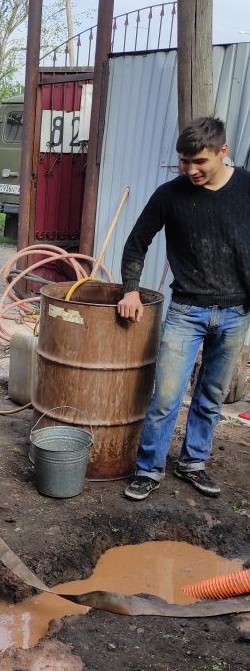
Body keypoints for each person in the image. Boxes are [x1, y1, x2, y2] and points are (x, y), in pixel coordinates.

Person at [117, 115, 250, 501]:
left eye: (200, 162)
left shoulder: (246, 187)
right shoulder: (169, 195)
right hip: (186, 311)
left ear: (223, 152)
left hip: (236, 311)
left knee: (211, 396)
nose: (191, 170)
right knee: (165, 397)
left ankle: (193, 463)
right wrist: (130, 290)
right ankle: (148, 469)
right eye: (184, 162)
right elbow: (136, 242)